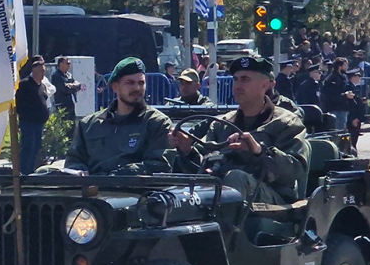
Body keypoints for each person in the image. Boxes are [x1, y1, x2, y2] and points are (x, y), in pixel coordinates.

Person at [170, 56, 310, 206]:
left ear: (264, 85)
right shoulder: (222, 124)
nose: (237, 86)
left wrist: (258, 151)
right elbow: (205, 169)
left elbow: (296, 170)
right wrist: (187, 151)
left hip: (273, 204)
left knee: (236, 178)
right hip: (224, 199)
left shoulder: (286, 122)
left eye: (245, 80)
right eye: (236, 79)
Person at [64, 57, 172, 175]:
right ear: (115, 87)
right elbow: (74, 161)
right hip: (92, 190)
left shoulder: (156, 123)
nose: (137, 88)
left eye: (141, 83)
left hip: (135, 191)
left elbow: (159, 165)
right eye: (130, 82)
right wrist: (81, 173)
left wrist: (116, 175)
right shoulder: (89, 125)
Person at [16, 56, 50, 175]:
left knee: (35, 149)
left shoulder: (42, 86)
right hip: (28, 122)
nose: (43, 74)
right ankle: (23, 173)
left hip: (39, 123)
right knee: (28, 148)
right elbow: (19, 104)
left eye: (44, 71)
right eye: (41, 71)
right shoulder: (25, 85)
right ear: (34, 71)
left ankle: (30, 172)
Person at [347, 69, 366, 149]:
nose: (359, 78)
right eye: (358, 76)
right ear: (352, 77)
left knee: (355, 139)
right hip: (353, 118)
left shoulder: (354, 87)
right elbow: (350, 105)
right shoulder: (349, 87)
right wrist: (353, 118)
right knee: (352, 140)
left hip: (357, 117)